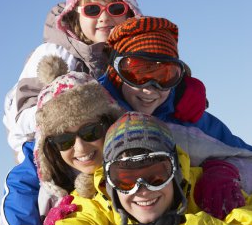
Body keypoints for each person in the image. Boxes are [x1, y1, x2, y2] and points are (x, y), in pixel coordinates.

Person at [3, 0, 205, 164]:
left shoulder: (131, 54)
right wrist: (68, 107)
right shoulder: (55, 53)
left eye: (115, 8)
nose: (104, 18)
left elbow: (159, 75)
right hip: (52, 151)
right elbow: (22, 117)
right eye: (92, 10)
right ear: (75, 15)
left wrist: (182, 89)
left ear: (129, 13)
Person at [43, 112, 249, 225]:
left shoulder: (207, 189)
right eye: (125, 179)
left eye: (155, 175)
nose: (142, 189)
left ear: (175, 171)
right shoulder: (92, 206)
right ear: (109, 182)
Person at [99, 15, 252, 211]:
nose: (150, 88)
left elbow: (247, 158)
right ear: (116, 74)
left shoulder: (189, 121)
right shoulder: (96, 117)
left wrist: (225, 171)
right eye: (137, 73)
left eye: (165, 75)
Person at [0, 55, 123, 225]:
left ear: (109, 125)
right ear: (50, 145)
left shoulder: (134, 167)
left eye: (90, 132)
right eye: (64, 140)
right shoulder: (36, 187)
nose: (81, 148)